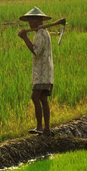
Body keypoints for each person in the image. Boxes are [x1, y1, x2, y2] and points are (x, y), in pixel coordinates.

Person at [17, 7, 64, 136]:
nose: (30, 22)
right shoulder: (43, 32)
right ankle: (46, 129)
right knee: (43, 98)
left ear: (39, 20)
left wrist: (24, 38)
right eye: (29, 19)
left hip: (42, 73)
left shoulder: (40, 34)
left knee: (35, 97)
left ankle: (39, 127)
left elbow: (36, 51)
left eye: (33, 19)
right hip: (45, 71)